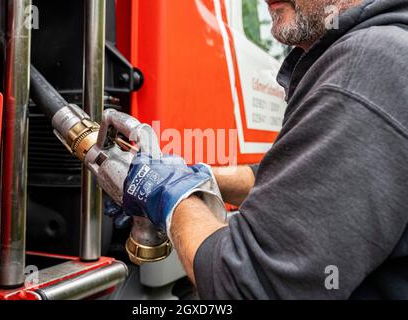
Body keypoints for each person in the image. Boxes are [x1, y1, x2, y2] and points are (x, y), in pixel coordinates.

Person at [117, 0, 408, 299]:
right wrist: (199, 175)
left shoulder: (369, 64)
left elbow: (248, 286)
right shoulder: (388, 49)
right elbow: (297, 182)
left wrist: (170, 192)